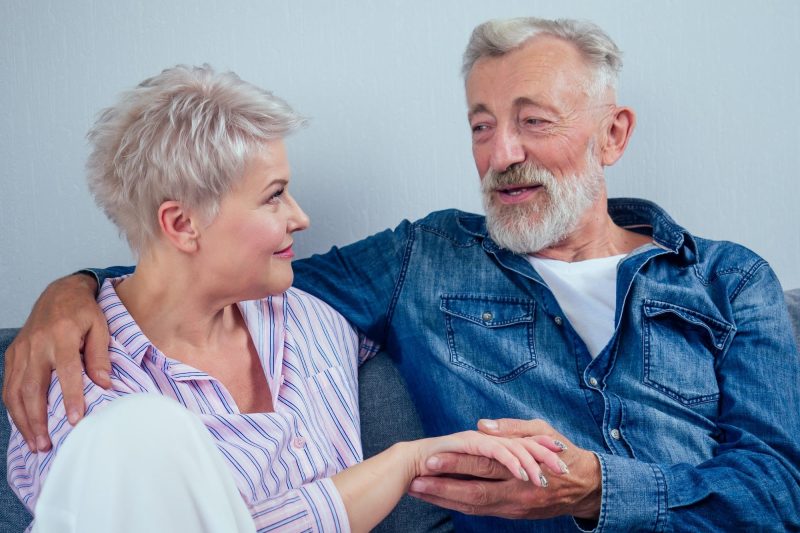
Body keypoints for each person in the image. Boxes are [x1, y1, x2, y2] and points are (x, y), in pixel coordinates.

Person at [5, 16, 800, 532]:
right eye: (481, 127)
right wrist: (69, 290)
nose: (502, 155)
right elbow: (206, 271)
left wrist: (597, 488)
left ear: (613, 133)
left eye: (533, 122)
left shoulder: (728, 281)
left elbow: (777, 490)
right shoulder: (424, 257)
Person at [3, 64, 567, 533]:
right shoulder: (79, 387)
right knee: (144, 431)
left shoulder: (311, 318)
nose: (301, 217)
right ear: (182, 225)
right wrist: (399, 465)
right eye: (274, 197)